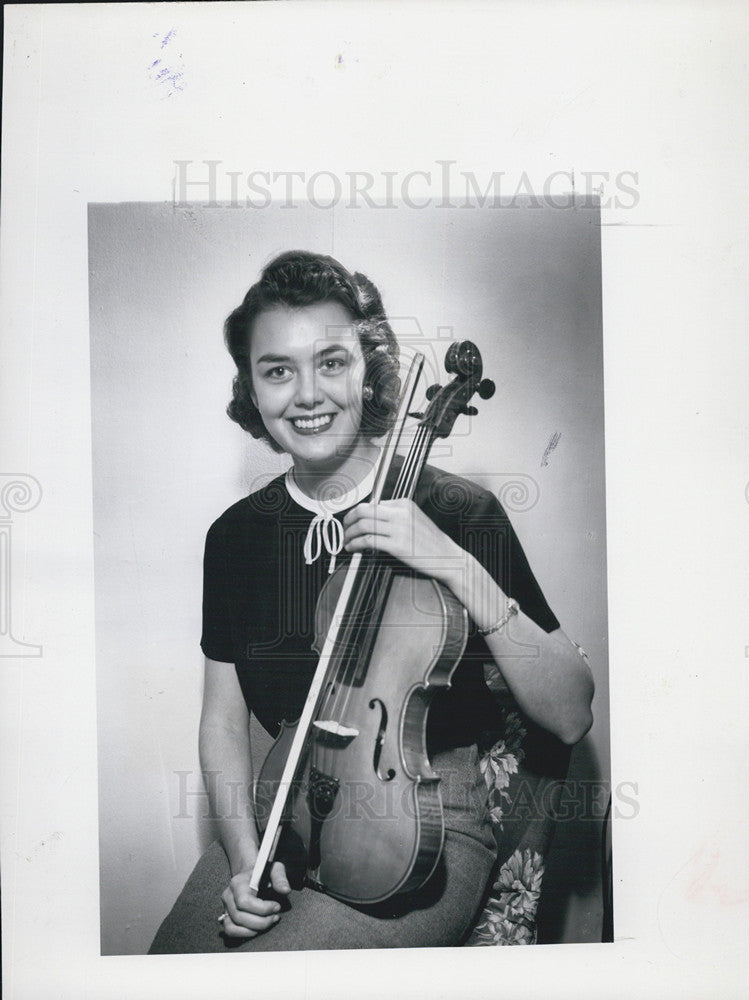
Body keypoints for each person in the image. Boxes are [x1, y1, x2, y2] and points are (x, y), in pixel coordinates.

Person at [149, 250, 594, 953]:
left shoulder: (456, 508)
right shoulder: (234, 537)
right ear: (252, 391)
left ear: (373, 373)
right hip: (283, 811)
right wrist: (241, 862)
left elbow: (569, 715)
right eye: (277, 370)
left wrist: (449, 559)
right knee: (172, 962)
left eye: (332, 362)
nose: (306, 395)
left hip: (424, 829)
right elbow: (224, 724)